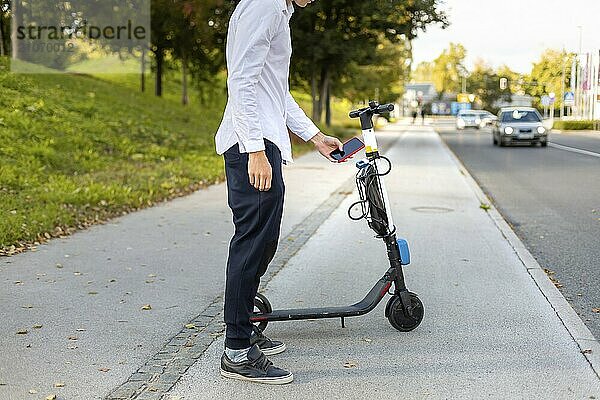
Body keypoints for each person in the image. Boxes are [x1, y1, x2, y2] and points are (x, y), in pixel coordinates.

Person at [214, 0, 343, 385]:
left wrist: (314, 136)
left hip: (263, 140)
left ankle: (244, 332)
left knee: (263, 243)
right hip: (252, 144)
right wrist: (254, 149)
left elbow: (275, 91)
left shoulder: (277, 10)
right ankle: (236, 350)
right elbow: (240, 81)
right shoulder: (266, 6)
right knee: (252, 243)